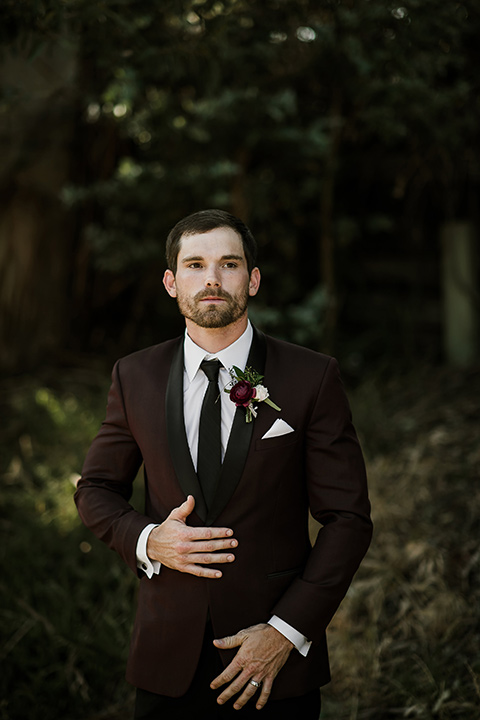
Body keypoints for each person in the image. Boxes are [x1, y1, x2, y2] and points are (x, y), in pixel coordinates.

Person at [75, 209, 372, 719]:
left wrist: (286, 631)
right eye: (194, 264)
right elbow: (96, 489)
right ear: (171, 282)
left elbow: (347, 520)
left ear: (252, 279)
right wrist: (149, 540)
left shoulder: (311, 377)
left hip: (274, 664)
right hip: (166, 660)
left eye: (228, 264)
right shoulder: (134, 376)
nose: (211, 278)